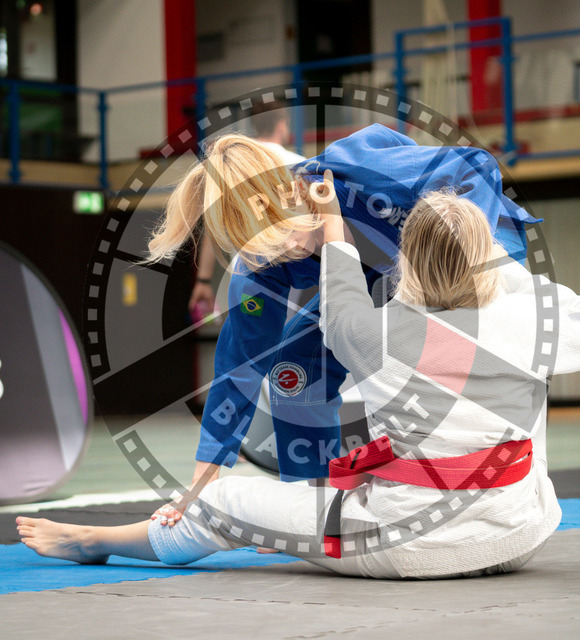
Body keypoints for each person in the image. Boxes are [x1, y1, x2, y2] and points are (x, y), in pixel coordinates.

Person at [16, 182, 580, 578]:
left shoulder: (370, 333)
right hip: (520, 535)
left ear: (406, 261)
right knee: (521, 408)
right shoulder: (532, 324)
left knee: (225, 501)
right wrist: (500, 263)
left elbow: (341, 281)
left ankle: (95, 542)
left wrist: (330, 222)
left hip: (410, 547)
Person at [145, 123, 543, 529]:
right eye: (267, 249)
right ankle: (309, 507)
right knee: (294, 372)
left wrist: (471, 269)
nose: (289, 249)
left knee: (450, 351)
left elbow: (475, 165)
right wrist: (199, 484)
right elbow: (238, 370)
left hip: (472, 251)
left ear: (292, 191)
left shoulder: (360, 170)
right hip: (374, 275)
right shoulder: (260, 266)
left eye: (285, 230)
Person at [188, 101, 305, 321]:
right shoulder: (299, 165)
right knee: (280, 337)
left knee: (249, 337)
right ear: (282, 125)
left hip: (244, 276)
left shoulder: (231, 169)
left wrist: (203, 280)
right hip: (289, 276)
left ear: (255, 125)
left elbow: (214, 229)